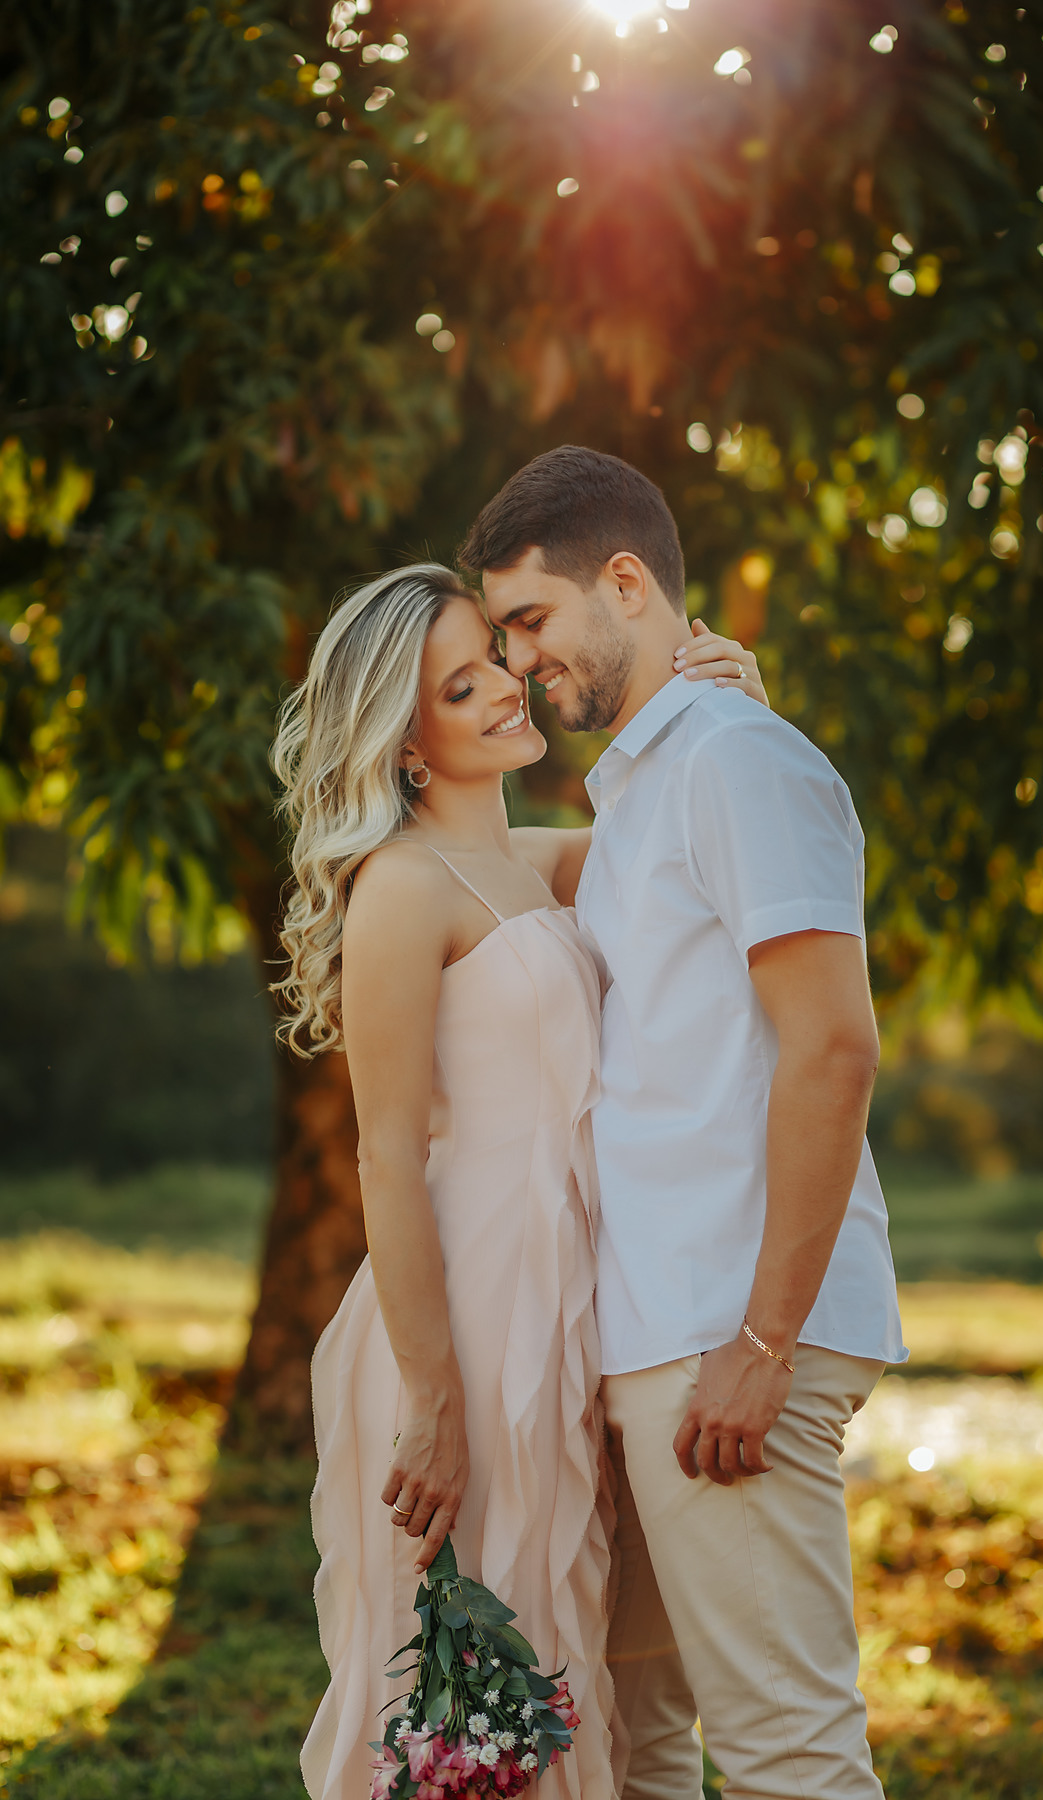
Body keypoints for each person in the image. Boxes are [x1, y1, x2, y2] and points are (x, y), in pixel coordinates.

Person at [272, 561, 764, 1800]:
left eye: (494, 653)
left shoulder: (533, 864)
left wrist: (737, 703)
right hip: (465, 1318)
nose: (506, 684)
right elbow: (387, 1153)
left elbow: (689, 830)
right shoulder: (399, 892)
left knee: (555, 1656)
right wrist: (432, 1397)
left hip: (566, 1304)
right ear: (407, 743)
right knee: (459, 1684)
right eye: (462, 681)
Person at [459, 445, 908, 1800]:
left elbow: (833, 1050)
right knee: (640, 1747)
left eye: (530, 623)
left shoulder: (737, 761)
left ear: (627, 580)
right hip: (652, 1342)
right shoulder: (647, 783)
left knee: (787, 1755)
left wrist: (763, 1342)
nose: (522, 663)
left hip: (733, 1333)